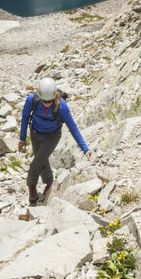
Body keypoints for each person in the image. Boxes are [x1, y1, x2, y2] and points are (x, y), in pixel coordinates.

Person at [18, 77, 91, 205]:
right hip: (35, 133)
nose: (47, 104)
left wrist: (85, 148)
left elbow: (72, 127)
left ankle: (31, 189)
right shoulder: (32, 100)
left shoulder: (62, 107)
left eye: (50, 101)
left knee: (35, 165)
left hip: (52, 137)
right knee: (42, 161)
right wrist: (22, 139)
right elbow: (24, 118)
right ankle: (49, 183)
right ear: (39, 96)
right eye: (44, 101)